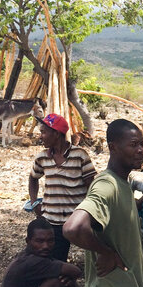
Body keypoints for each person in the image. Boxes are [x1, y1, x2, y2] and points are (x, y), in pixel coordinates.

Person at [63, 119, 143, 287]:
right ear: (113, 147)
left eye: (142, 144)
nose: (141, 150)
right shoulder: (106, 184)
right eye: (133, 144)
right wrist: (105, 252)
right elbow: (73, 227)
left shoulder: (123, 183)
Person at [28, 113, 97, 263]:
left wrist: (90, 213)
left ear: (56, 134)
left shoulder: (79, 155)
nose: (41, 136)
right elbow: (33, 178)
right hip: (52, 219)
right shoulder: (42, 158)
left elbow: (91, 186)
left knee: (96, 254)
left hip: (77, 219)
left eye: (44, 132)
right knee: (56, 261)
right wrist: (34, 203)